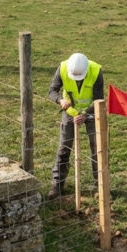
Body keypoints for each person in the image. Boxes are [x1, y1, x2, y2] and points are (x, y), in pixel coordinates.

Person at [47, 53, 103, 200]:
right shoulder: (63, 68)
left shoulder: (96, 71)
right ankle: (57, 185)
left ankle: (100, 186)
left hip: (91, 113)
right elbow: (52, 91)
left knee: (97, 149)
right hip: (70, 112)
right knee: (63, 148)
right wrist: (60, 100)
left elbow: (99, 99)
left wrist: (85, 115)